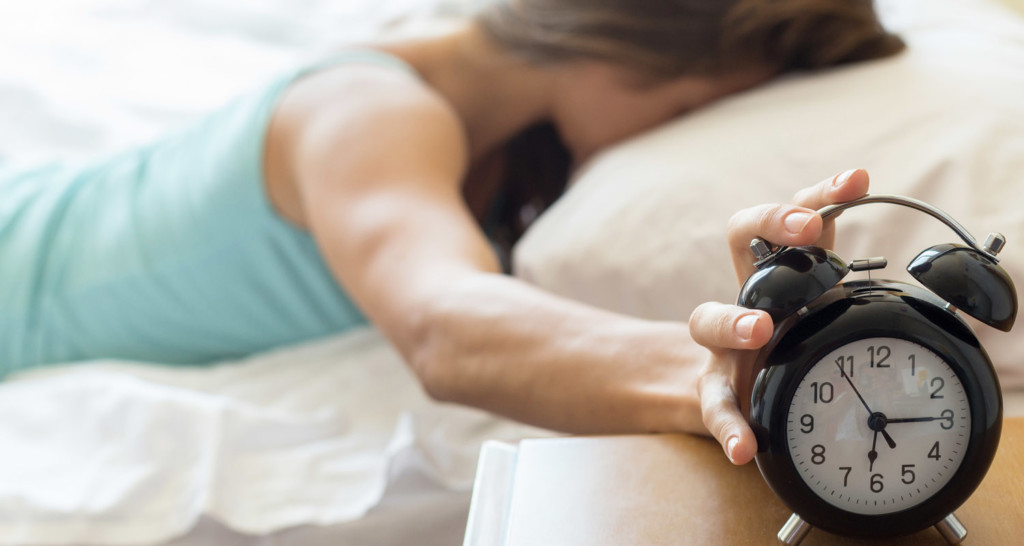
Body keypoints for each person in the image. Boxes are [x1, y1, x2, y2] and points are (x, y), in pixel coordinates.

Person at [0, 0, 901, 464]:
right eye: (695, 106)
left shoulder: (500, 143)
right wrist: (713, 370)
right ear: (632, 43)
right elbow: (444, 323)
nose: (684, 128)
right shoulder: (371, 110)